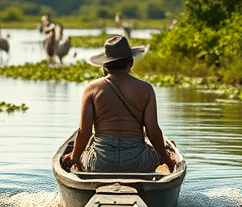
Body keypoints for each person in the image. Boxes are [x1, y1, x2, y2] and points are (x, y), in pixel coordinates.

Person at [66, 35, 176, 173]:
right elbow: (153, 132)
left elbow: (85, 132)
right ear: (130, 63)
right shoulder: (146, 89)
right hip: (138, 162)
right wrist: (165, 157)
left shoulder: (91, 89)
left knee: (84, 153)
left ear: (105, 65)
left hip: (100, 162)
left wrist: (75, 157)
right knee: (165, 152)